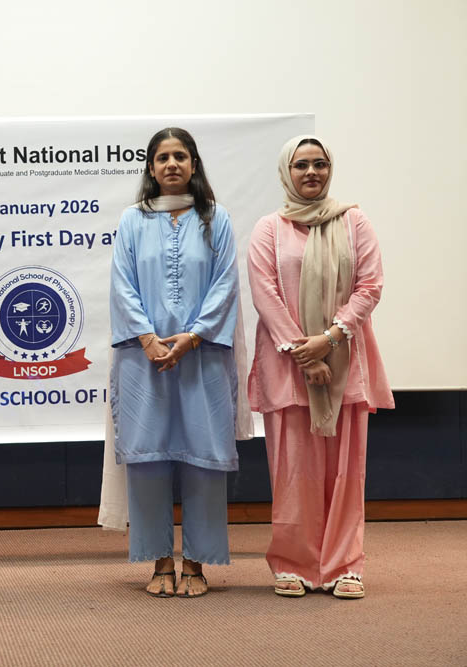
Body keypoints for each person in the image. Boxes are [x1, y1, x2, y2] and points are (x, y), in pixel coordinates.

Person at [247, 135, 392, 599]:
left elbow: (370, 285)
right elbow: (265, 294)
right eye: (301, 164)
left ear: (330, 169)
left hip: (345, 360)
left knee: (347, 470)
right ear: (286, 172)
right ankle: (293, 563)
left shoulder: (354, 221)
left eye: (320, 164)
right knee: (293, 470)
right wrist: (304, 354)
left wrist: (329, 340)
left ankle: (345, 565)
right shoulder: (269, 229)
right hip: (288, 365)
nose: (311, 172)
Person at [109, 127, 241, 599]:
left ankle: (196, 566)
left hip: (203, 355)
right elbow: (122, 284)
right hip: (143, 358)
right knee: (148, 459)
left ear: (193, 164)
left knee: (203, 459)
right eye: (162, 157)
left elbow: (226, 283)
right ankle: (160, 562)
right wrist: (148, 339)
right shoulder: (132, 219)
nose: (171, 164)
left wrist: (193, 336)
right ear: (151, 167)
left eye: (180, 156)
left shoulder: (216, 218)